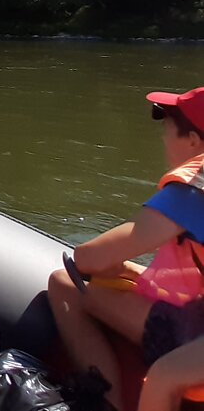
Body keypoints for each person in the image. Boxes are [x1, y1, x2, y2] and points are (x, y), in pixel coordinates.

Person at [48, 87, 204, 411]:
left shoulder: (193, 189)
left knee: (65, 284)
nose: (163, 138)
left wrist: (107, 266)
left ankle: (109, 403)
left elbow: (87, 258)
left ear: (192, 141)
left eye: (168, 129)